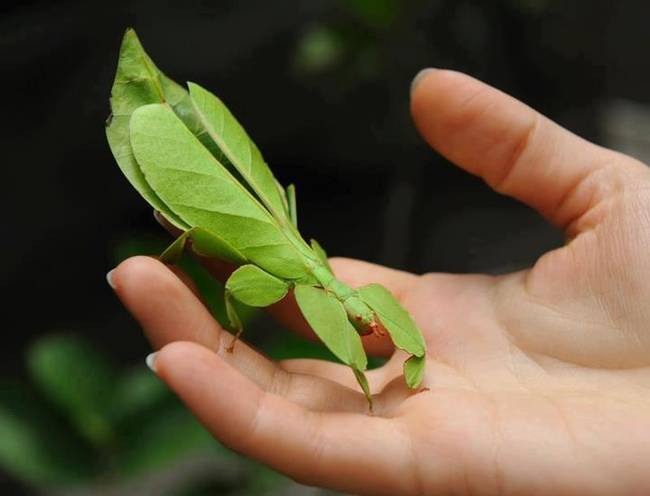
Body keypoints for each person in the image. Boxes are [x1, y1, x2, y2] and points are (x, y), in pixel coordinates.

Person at [106, 69, 650, 495]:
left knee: (254, 220)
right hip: (225, 184)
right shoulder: (304, 283)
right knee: (224, 248)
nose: (365, 320)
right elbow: (233, 290)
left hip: (269, 218)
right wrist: (362, 381)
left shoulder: (329, 287)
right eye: (363, 316)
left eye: (362, 317)